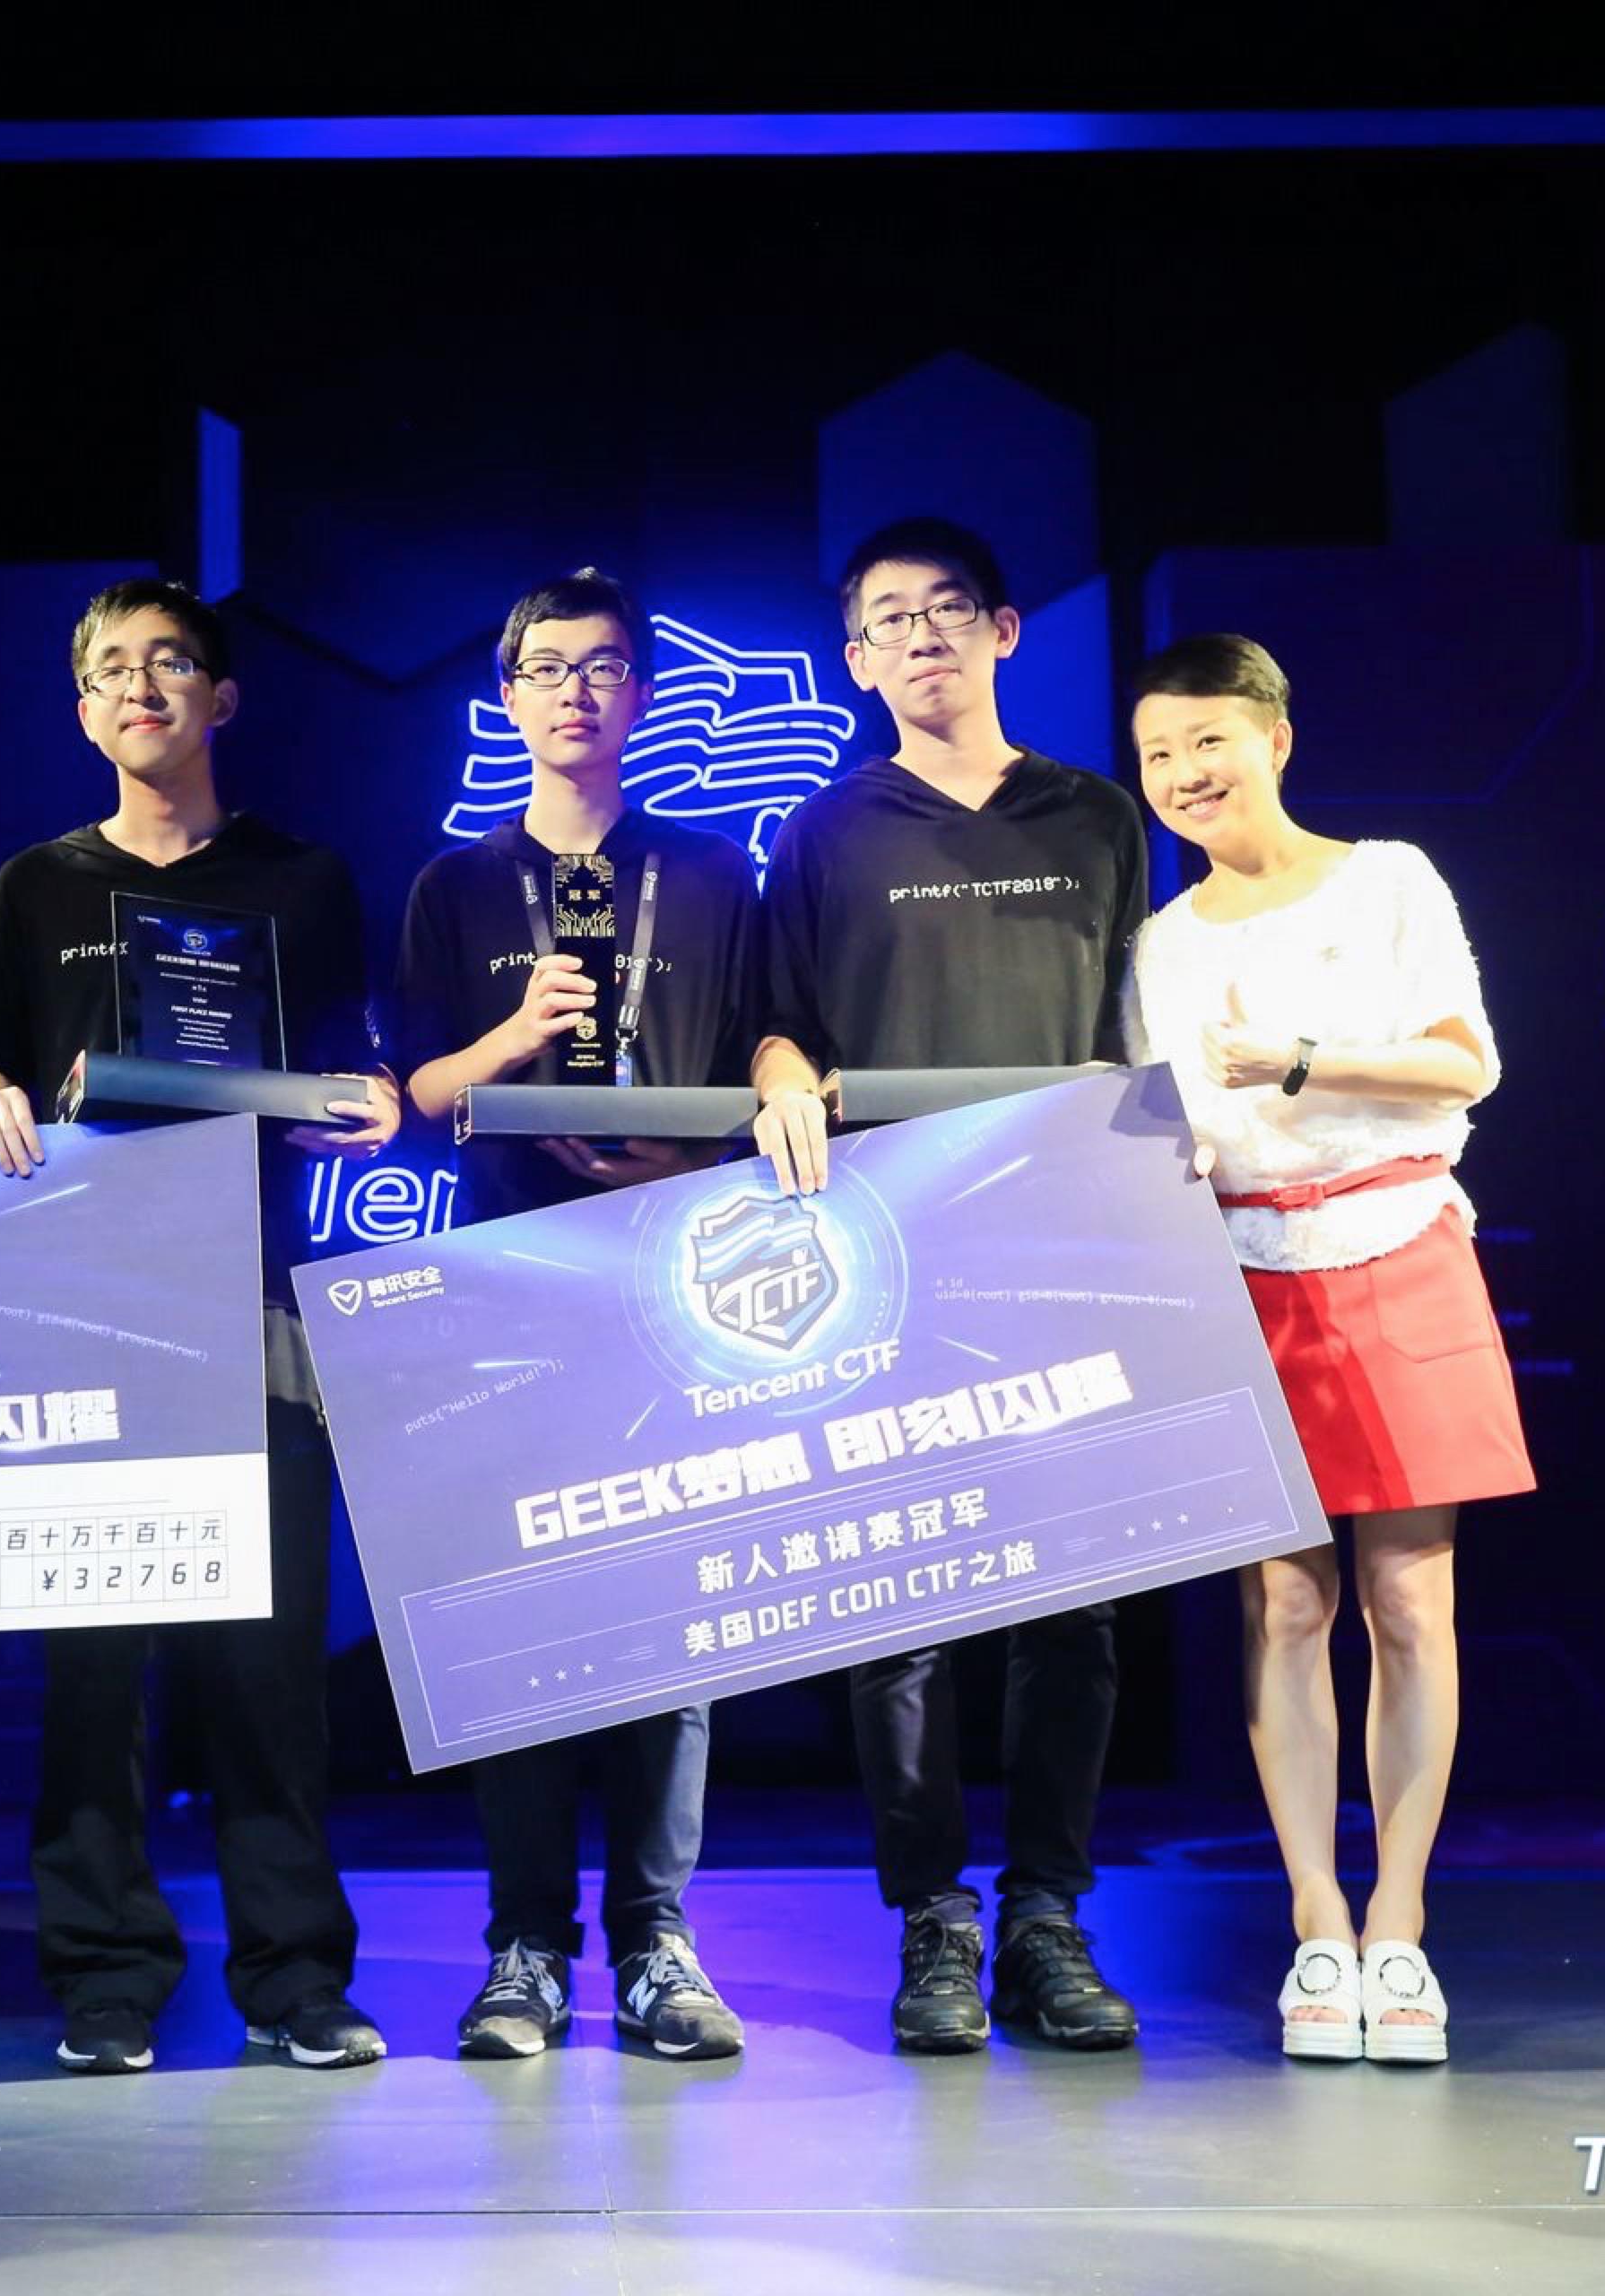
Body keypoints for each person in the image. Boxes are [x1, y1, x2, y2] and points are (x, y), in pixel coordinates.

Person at [0, 577, 397, 2074]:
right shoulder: (35, 886)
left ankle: (296, 1976)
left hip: (255, 1303)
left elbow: (351, 1063)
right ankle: (104, 1973)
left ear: (223, 698)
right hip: (83, 1314)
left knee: (266, 1673)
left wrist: (364, 1101)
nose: (141, 686)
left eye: (171, 663)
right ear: (83, 710)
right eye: (111, 669)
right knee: (96, 1676)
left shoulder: (304, 880)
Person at [748, 518, 1147, 2054]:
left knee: (1071, 1607)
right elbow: (777, 1023)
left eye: (948, 610)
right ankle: (934, 1919)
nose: (923, 637)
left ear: (1005, 629)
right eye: (890, 621)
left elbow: (1136, 1023)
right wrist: (783, 1081)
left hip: (1069, 1247)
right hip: (888, 1255)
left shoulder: (1097, 815)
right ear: (855, 660)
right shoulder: (826, 830)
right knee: (900, 1610)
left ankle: (1047, 1915)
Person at [1121, 633, 1531, 2065]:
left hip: (1400, 1237)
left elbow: (1467, 1062)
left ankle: (1400, 1926)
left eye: (1209, 742)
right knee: (1284, 1608)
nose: (1186, 773)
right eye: (1159, 753)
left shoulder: (1390, 880)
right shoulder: (1161, 946)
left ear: (1275, 740)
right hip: (1243, 1270)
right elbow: (1164, 1129)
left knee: (1411, 1599)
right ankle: (1317, 1924)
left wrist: (1297, 1060)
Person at [392, 570, 759, 2060]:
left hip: (673, 1275)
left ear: (641, 695)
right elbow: (416, 1093)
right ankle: (526, 1946)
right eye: (547, 669)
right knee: (521, 1617)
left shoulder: (718, 873)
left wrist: (691, 1151)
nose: (576, 693)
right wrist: (520, 1033)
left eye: (604, 669)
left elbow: (766, 1058)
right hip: (508, 1285)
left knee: (672, 1617)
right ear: (508, 697)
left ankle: (658, 1940)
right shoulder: (454, 887)